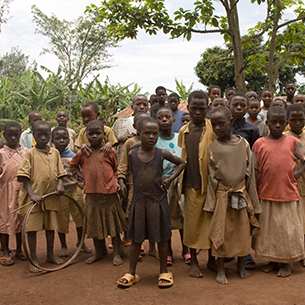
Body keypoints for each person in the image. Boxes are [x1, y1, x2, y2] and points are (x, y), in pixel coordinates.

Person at [117, 116, 185, 288]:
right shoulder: (132, 154)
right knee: (136, 239)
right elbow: (129, 162)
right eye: (147, 133)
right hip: (139, 202)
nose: (151, 137)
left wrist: (170, 180)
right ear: (138, 134)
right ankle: (131, 272)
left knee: (162, 238)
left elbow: (182, 163)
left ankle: (163, 270)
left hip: (158, 202)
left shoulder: (161, 153)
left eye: (155, 133)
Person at [204, 107, 261, 284]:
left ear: (231, 122)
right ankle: (221, 267)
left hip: (241, 193)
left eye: (221, 123)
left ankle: (241, 265)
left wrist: (254, 202)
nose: (218, 127)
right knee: (222, 232)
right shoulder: (213, 147)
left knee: (242, 231)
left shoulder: (243, 144)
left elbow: (250, 174)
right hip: (222, 195)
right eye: (214, 124)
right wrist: (211, 204)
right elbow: (212, 178)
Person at [253, 106, 305, 277]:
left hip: (287, 193)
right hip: (266, 193)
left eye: (281, 122)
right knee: (270, 231)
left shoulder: (292, 142)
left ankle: (286, 262)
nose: (277, 125)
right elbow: (254, 169)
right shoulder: (259, 143)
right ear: (267, 122)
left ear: (286, 124)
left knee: (286, 230)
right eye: (273, 122)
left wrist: (295, 174)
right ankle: (273, 260)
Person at [70, 120, 127, 266]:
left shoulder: (110, 151)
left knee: (113, 226)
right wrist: (82, 178)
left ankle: (116, 253)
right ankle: (99, 252)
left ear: (104, 135)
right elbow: (73, 166)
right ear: (86, 135)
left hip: (109, 195)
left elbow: (115, 167)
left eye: (98, 133)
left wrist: (115, 181)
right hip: (92, 195)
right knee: (95, 226)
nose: (94, 136)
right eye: (91, 133)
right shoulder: (83, 153)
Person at [17, 120, 66, 273]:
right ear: (34, 135)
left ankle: (50, 254)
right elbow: (23, 175)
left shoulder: (55, 152)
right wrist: (31, 193)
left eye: (46, 135)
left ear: (50, 136)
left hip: (51, 197)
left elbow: (60, 173)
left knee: (50, 227)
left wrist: (60, 184)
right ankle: (34, 259)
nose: (43, 138)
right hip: (34, 199)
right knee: (32, 229)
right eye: (39, 134)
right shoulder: (30, 153)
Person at [178, 90, 217, 278]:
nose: (198, 112)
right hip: (191, 184)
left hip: (210, 185)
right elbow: (181, 157)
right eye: (194, 108)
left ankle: (211, 259)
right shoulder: (183, 131)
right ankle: (193, 261)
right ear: (188, 109)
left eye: (202, 108)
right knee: (192, 224)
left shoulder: (213, 128)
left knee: (211, 224)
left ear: (208, 108)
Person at [117, 112, 158, 257]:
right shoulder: (130, 143)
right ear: (136, 128)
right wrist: (121, 181)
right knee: (135, 218)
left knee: (152, 218)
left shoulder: (154, 141)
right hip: (134, 185)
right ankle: (138, 246)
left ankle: (153, 247)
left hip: (152, 186)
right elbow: (123, 164)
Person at [155, 107, 190, 265]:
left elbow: (184, 161)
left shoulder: (179, 138)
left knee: (182, 217)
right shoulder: (153, 140)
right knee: (165, 219)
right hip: (162, 185)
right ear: (156, 121)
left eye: (167, 117)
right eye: (160, 117)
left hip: (179, 183)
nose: (164, 120)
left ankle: (186, 250)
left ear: (174, 120)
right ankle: (168, 251)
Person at [51, 126, 91, 257]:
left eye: (64, 138)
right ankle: (63, 245)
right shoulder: (51, 156)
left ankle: (81, 242)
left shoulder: (73, 155)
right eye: (57, 138)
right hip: (59, 193)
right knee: (61, 219)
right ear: (52, 140)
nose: (61, 141)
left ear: (69, 140)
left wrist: (82, 180)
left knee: (80, 216)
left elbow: (79, 170)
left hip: (74, 189)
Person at [0, 122, 28, 266]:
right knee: (5, 219)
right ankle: (5, 251)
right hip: (5, 191)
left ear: (20, 134)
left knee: (21, 219)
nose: (13, 137)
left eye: (16, 134)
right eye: (9, 135)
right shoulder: (1, 154)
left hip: (22, 191)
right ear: (4, 135)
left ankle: (19, 249)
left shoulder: (26, 152)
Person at [284, 104, 305, 267]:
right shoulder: (283, 137)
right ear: (287, 120)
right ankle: (289, 254)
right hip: (287, 187)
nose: (297, 123)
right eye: (293, 120)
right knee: (290, 221)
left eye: (301, 119)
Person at [112, 95, 149, 161]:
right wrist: (119, 139)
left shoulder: (152, 124)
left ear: (148, 107)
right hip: (122, 164)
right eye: (138, 104)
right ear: (132, 107)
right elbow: (108, 142)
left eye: (145, 105)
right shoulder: (120, 122)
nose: (142, 107)